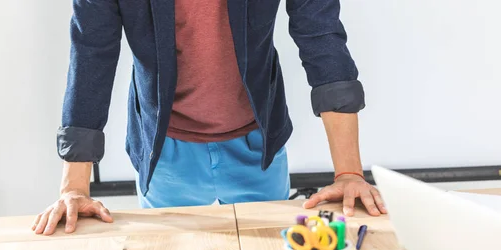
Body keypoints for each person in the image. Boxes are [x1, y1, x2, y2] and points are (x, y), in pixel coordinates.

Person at [33, 0, 387, 236]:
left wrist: (349, 174)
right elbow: (92, 52)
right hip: (165, 149)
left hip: (257, 144)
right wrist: (75, 188)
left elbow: (321, 38)